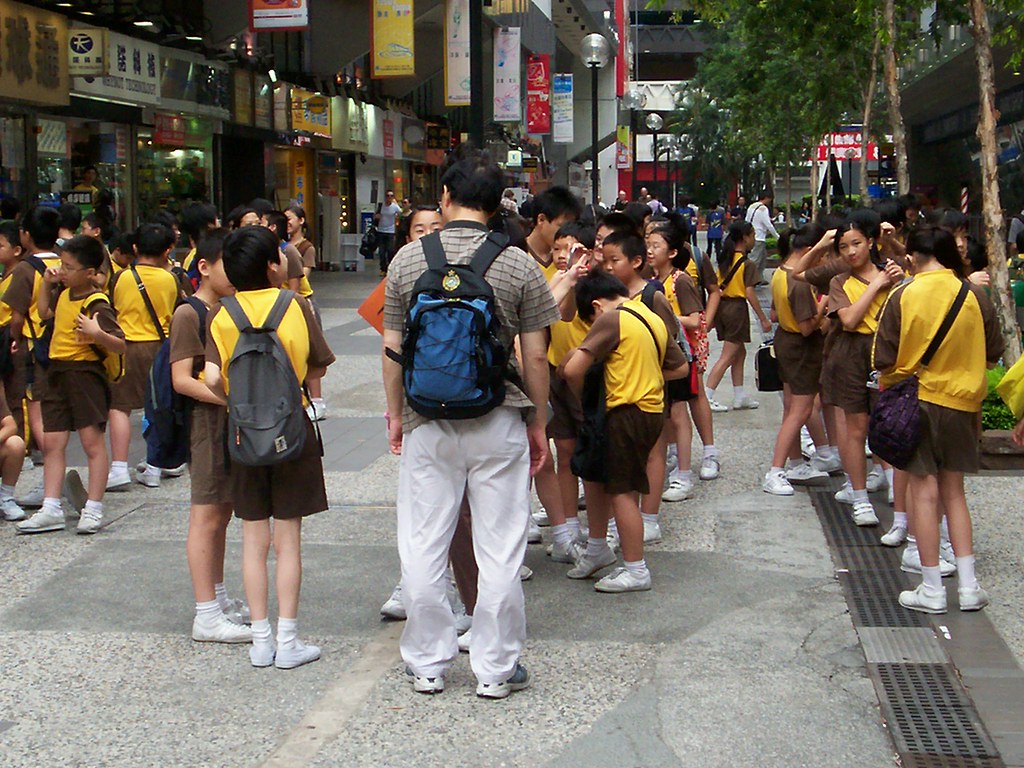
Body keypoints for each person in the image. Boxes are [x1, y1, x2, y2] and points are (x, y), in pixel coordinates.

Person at [382, 147, 559, 698]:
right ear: (498, 202)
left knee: (422, 542)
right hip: (498, 416)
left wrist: (396, 416)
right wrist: (538, 420)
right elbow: (534, 357)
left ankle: (429, 663)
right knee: (500, 545)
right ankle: (495, 670)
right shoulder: (519, 263)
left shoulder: (408, 260)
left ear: (446, 197)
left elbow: (392, 349)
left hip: (426, 420)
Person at [205, 225, 335, 669]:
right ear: (271, 266)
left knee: (253, 539)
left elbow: (209, 378)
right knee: (289, 540)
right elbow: (317, 365)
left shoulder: (222, 315)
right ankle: (289, 640)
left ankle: (260, 639)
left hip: (242, 434)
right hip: (291, 430)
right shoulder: (294, 305)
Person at [873, 226, 1003, 614]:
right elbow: (993, 353)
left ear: (912, 257)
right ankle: (968, 587)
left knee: (923, 491)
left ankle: (931, 588)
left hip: (918, 402)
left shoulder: (903, 294)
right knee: (955, 493)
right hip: (963, 404)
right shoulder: (974, 294)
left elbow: (882, 359)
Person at [559, 268, 689, 592]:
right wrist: (644, 373)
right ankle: (598, 549)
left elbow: (573, 369)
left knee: (621, 491)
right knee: (611, 481)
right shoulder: (650, 317)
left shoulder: (612, 318)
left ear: (596, 305)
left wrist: (579, 399)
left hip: (624, 412)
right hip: (651, 410)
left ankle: (635, 568)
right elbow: (680, 367)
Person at [169, 230, 252, 644]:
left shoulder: (231, 309)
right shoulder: (189, 314)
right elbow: (181, 380)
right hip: (207, 423)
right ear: (204, 267)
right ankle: (206, 613)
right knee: (206, 514)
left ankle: (218, 598)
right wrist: (230, 400)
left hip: (228, 421)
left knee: (222, 512)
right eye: (226, 264)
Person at [16, 235, 125, 534]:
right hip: (56, 372)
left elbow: (120, 344)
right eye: (61, 265)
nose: (61, 271)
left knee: (92, 442)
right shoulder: (63, 293)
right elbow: (44, 313)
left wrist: (96, 332)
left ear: (90, 272)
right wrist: (47, 285)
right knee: (52, 442)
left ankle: (93, 507)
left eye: (68, 267)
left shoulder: (97, 302)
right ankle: (50, 506)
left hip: (84, 373)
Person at [823, 219, 902, 526]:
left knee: (891, 425)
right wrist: (877, 285)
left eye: (856, 243)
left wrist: (893, 277)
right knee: (856, 428)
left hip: (888, 353)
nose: (851, 252)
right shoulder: (839, 282)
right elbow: (851, 319)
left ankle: (897, 489)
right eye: (844, 247)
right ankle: (860, 498)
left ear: (870, 242)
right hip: (852, 354)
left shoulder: (894, 273)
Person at [107, 223, 183, 490]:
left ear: (135, 248)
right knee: (158, 404)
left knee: (119, 406)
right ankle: (154, 465)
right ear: (167, 250)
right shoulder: (171, 279)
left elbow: (112, 308)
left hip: (125, 346)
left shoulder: (121, 277)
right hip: (159, 346)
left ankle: (118, 467)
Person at [762, 225, 830, 496]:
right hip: (802, 347)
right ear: (809, 251)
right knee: (800, 411)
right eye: (822, 255)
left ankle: (795, 463)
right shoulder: (800, 283)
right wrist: (824, 306)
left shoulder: (780, 272)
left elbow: (776, 315)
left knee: (791, 408)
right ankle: (775, 471)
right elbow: (807, 328)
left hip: (785, 343)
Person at [3, 206, 63, 509]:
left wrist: (15, 340)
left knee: (38, 411)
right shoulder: (68, 261)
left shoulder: (25, 269)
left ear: (25, 235)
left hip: (35, 347)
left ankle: (50, 478)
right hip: (64, 344)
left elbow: (16, 317)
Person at [704, 220, 771, 412]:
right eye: (751, 235)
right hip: (737, 309)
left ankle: (739, 395)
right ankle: (708, 394)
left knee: (739, 352)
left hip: (723, 308)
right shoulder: (747, 264)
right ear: (745, 238)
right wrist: (763, 319)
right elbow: (750, 293)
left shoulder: (725, 259)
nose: (753, 240)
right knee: (727, 355)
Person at [284, 205, 326, 421]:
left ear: (301, 220)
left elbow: (302, 277)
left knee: (310, 349)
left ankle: (317, 401)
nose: (287, 222)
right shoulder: (283, 247)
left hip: (303, 302)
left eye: (290, 218)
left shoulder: (304, 247)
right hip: (287, 303)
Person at [745, 191, 778, 281]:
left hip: (751, 235)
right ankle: (749, 280)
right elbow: (768, 224)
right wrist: (777, 237)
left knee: (763, 258)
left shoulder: (751, 206)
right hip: (759, 237)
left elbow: (747, 220)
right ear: (767, 198)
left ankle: (759, 278)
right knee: (755, 259)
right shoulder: (763, 209)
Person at [375, 190, 402, 276]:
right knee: (382, 252)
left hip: (390, 231)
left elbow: (401, 213)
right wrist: (376, 217)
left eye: (391, 196)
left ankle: (390, 268)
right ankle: (383, 269)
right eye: (388, 196)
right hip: (381, 231)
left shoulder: (394, 207)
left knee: (390, 250)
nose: (389, 198)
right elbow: (375, 216)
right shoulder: (381, 206)